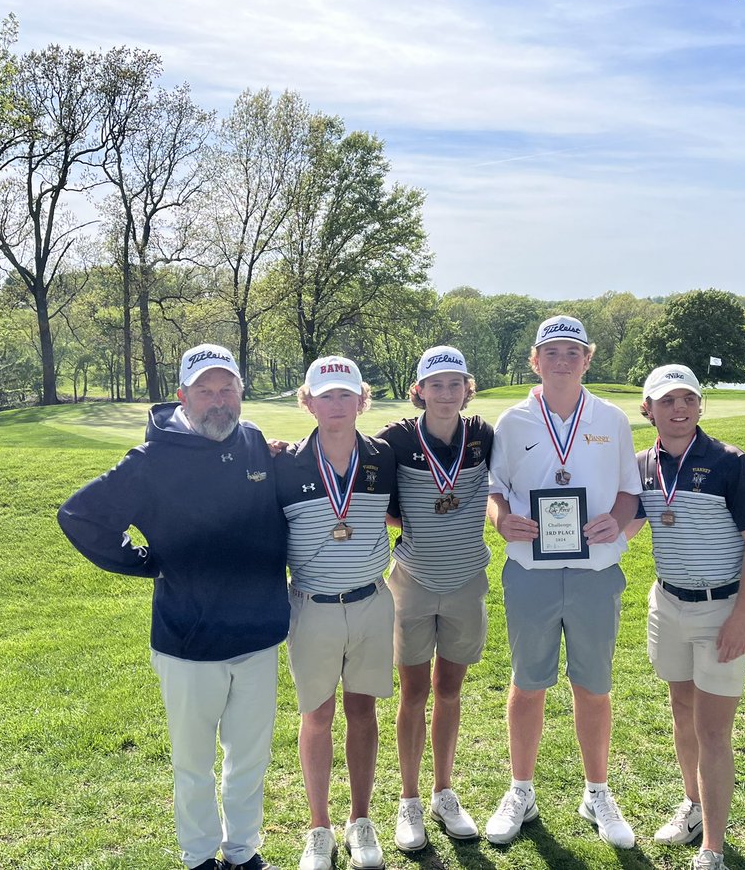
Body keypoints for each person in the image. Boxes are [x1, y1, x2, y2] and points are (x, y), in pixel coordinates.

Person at [57, 344, 287, 870]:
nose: (217, 400)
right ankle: (201, 857)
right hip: (189, 640)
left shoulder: (253, 442)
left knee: (249, 759)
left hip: (259, 634)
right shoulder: (150, 460)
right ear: (182, 395)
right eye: (204, 390)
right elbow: (80, 515)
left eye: (227, 388)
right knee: (194, 764)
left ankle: (243, 851)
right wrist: (145, 562)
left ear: (241, 393)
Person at [484, 315, 641, 849]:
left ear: (588, 359)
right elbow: (496, 490)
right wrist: (501, 519)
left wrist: (616, 522)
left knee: (593, 686)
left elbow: (628, 491)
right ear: (535, 360)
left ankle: (596, 790)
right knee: (528, 683)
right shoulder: (512, 421)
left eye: (572, 352)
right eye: (551, 352)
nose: (561, 361)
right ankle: (521, 789)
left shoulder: (613, 419)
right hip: (530, 570)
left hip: (596, 571)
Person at [626, 364, 745, 870]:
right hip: (667, 604)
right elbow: (627, 526)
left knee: (713, 731)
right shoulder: (642, 464)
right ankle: (691, 804)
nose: (679, 408)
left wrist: (741, 617)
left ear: (700, 405)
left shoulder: (732, 462)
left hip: (721, 609)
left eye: (687, 398)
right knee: (682, 713)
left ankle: (712, 845)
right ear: (648, 410)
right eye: (667, 401)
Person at [274, 356, 397, 870]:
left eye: (346, 395)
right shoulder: (283, 462)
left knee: (362, 712)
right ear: (307, 401)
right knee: (317, 715)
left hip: (371, 601)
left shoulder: (383, 456)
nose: (337, 405)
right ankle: (318, 827)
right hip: (311, 606)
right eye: (326, 396)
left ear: (362, 400)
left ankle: (361, 820)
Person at [374, 346, 494, 852]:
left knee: (449, 691)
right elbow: (367, 486)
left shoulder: (484, 435)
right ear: (418, 390)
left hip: (467, 581)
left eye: (455, 384)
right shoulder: (395, 440)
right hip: (414, 581)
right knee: (414, 694)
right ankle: (409, 801)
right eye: (435, 384)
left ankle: (444, 791)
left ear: (467, 388)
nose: (446, 394)